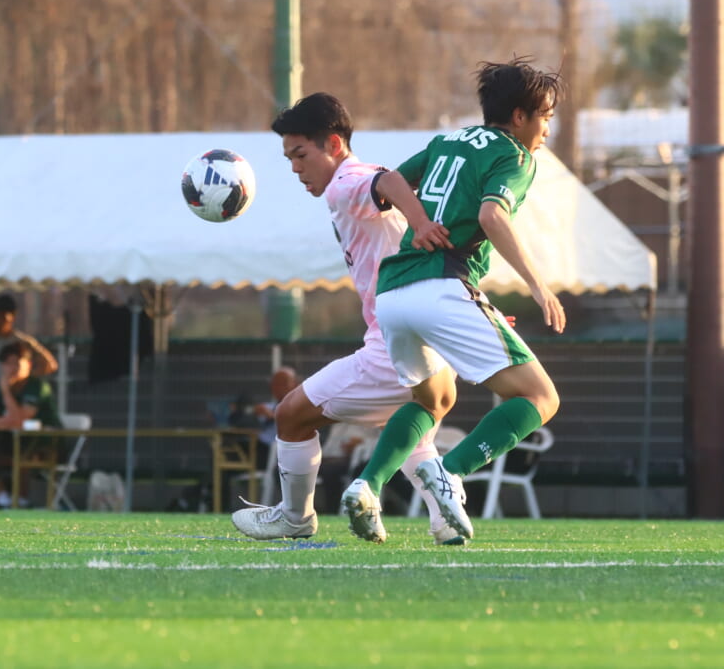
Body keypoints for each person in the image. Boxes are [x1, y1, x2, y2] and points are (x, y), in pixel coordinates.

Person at [342, 58, 567, 542]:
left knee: (435, 399)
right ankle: (450, 471)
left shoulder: (450, 140)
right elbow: (491, 217)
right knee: (539, 397)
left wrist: (420, 222)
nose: (548, 129)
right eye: (545, 117)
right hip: (442, 286)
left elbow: (387, 184)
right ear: (520, 117)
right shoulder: (516, 155)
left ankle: (368, 483)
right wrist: (538, 284)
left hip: (392, 292)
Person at [231, 92, 463, 545]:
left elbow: (389, 182)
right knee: (413, 437)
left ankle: (295, 517)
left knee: (291, 415)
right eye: (289, 158)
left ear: (334, 145)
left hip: (392, 346)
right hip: (429, 337)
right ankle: (446, 519)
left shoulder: (346, 182)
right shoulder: (357, 182)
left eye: (300, 154)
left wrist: (419, 222)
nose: (295, 168)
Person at [0, 340, 62, 507]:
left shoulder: (37, 386)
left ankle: (22, 501)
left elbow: (18, 421)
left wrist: (6, 392)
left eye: (17, 362)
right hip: (9, 440)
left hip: (43, 444)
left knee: (23, 452)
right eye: (8, 363)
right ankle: (3, 498)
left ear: (28, 365)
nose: (13, 368)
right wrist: (4, 421)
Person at [0, 293, 58, 382]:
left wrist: (23, 376)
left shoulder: (23, 342)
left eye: (1, 316)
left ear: (13, 316)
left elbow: (50, 365)